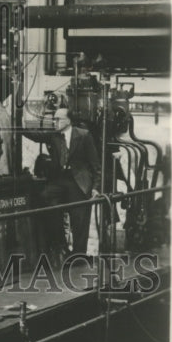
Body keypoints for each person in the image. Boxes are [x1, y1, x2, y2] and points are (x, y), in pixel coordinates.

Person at [23, 105, 101, 263]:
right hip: (60, 180)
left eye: (59, 119)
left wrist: (95, 188)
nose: (55, 121)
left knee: (79, 220)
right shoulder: (54, 135)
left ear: (69, 121)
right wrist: (18, 124)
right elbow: (34, 135)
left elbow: (95, 165)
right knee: (45, 199)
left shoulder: (84, 135)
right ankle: (60, 245)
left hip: (79, 182)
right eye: (54, 118)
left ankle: (78, 256)